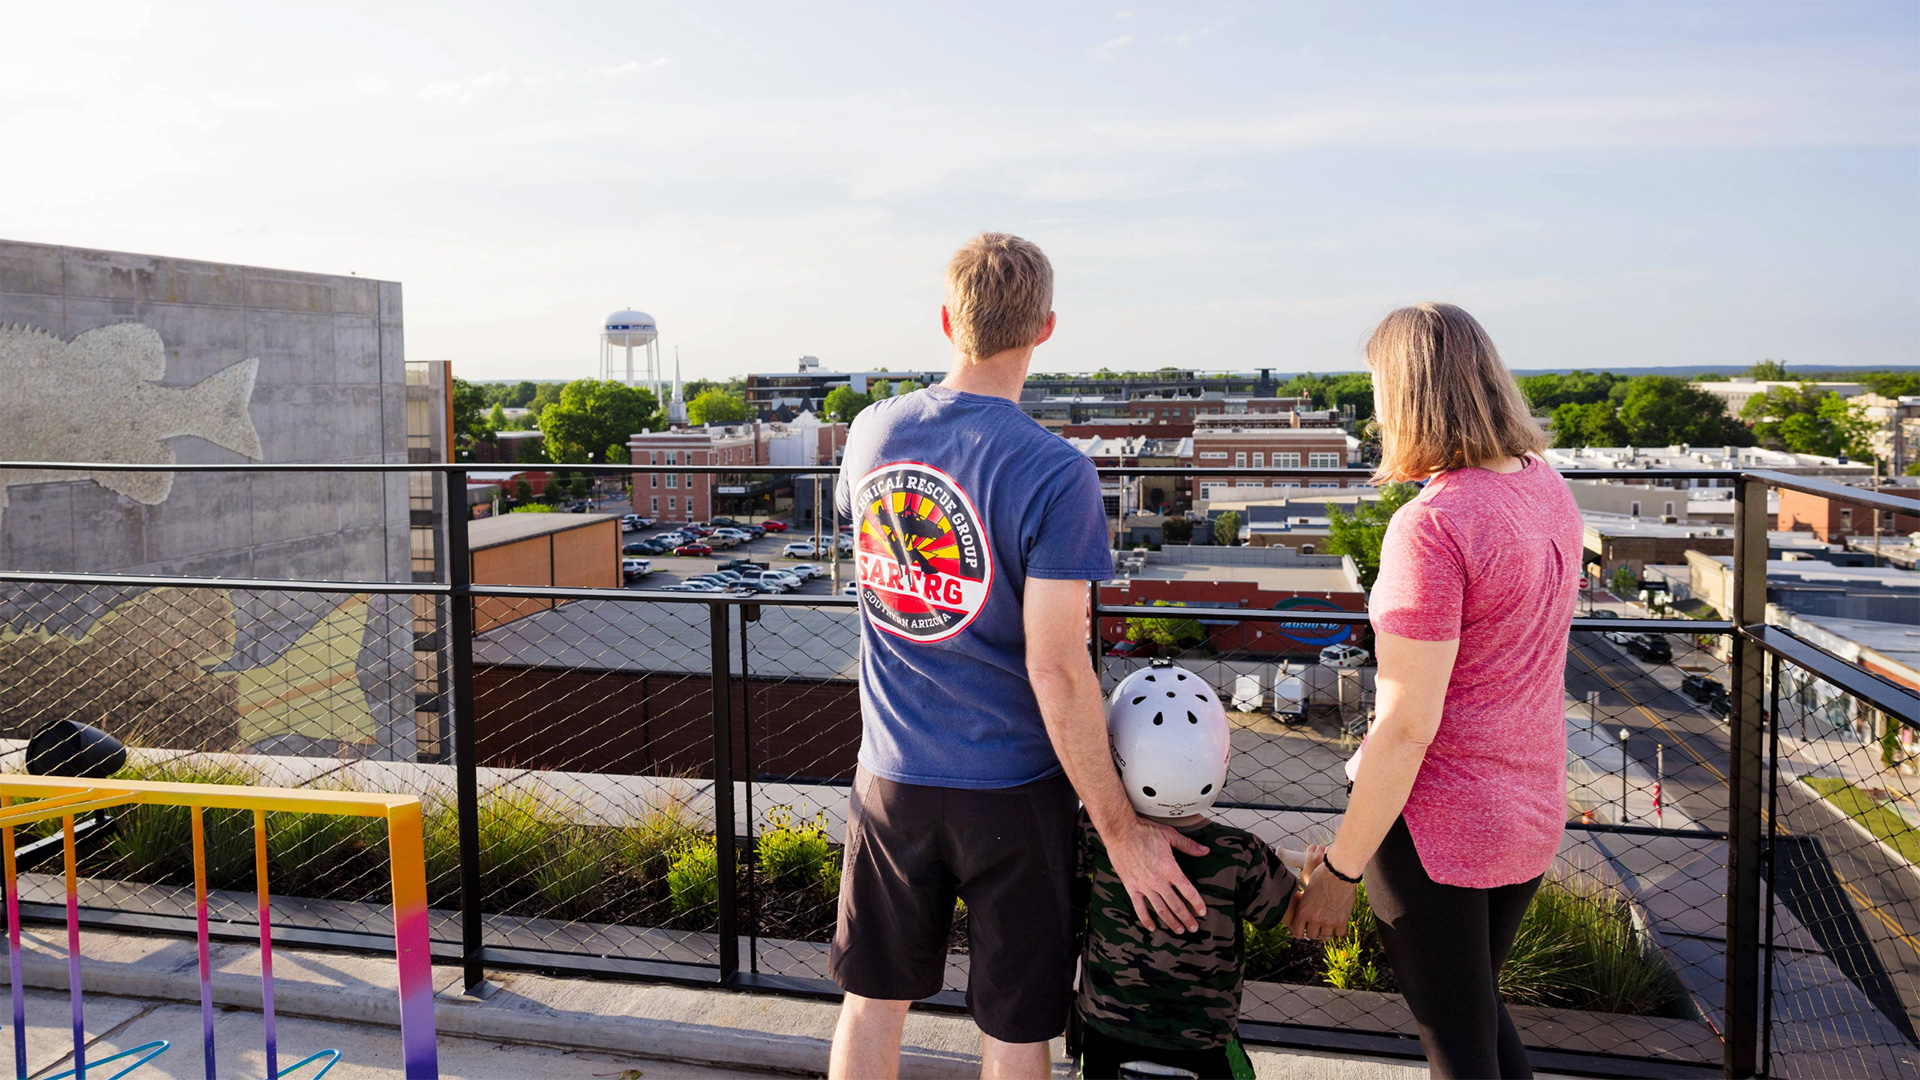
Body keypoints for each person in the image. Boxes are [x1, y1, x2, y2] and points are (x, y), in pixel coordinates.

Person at [826, 233, 1208, 1080]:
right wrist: (1120, 830)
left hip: (891, 777)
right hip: (1013, 794)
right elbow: (1058, 667)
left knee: (871, 1005)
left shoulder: (871, 432)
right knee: (1015, 1026)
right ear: (1045, 328)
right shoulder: (1055, 470)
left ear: (945, 320)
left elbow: (883, 577)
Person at [1287, 303, 1583, 1079]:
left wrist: (1341, 872)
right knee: (1475, 1020)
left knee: (1458, 1043)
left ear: (1406, 397)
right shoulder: (1544, 487)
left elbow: (1407, 726)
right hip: (1527, 806)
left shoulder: (1434, 526)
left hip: (1438, 826)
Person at [1075, 661, 1321, 1080]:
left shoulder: (1096, 830)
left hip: (1103, 1030)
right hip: (1203, 1040)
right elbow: (1297, 920)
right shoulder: (1242, 853)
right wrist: (1312, 876)